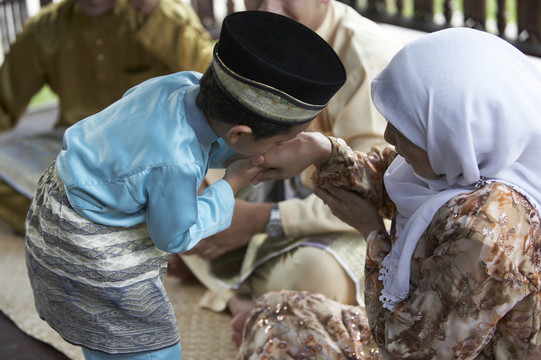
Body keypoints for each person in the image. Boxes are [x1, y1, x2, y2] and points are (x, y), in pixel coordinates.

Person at [24, 10, 347, 360]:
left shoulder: (178, 84)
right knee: (146, 344)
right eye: (282, 140)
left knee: (106, 342)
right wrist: (232, 183)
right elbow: (175, 235)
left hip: (56, 196)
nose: (280, 148)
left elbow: (195, 138)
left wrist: (251, 154)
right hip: (90, 243)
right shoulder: (177, 162)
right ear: (240, 134)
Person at [237, 27, 541, 359]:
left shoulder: (486, 233)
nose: (388, 135)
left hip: (417, 346)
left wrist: (372, 234)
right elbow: (382, 174)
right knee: (277, 312)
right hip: (413, 335)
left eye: (405, 128)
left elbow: (411, 351)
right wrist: (320, 150)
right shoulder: (462, 160)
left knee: (282, 337)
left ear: (453, 132)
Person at [172, 0, 401, 347]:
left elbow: (376, 195)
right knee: (180, 209)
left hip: (345, 217)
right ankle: (257, 296)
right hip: (272, 185)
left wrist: (264, 219)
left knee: (313, 275)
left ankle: (248, 294)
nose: (270, 9)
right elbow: (225, 135)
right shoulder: (264, 33)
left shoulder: (365, 58)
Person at [0, 0, 215, 234]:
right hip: (76, 150)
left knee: (186, 175)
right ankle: (117, 221)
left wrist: (157, 17)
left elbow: (210, 81)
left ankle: (78, 220)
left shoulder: (159, 11)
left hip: (153, 150)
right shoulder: (46, 28)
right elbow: (4, 100)